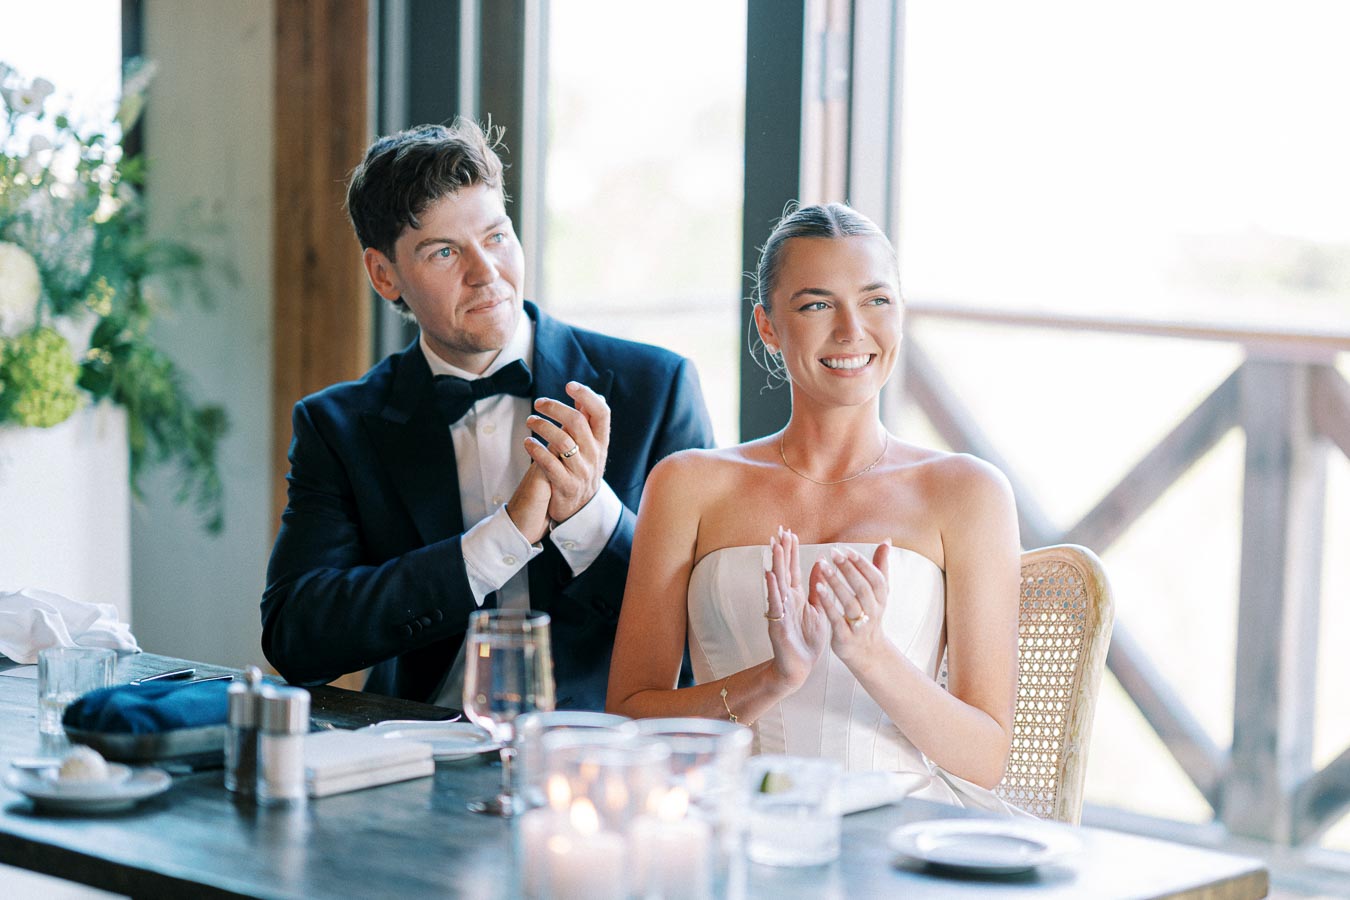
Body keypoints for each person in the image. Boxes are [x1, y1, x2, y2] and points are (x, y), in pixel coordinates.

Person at [262, 119, 715, 711]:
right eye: (444, 252)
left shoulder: (655, 388)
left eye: (496, 237)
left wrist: (586, 514)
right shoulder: (338, 426)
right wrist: (502, 537)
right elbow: (297, 636)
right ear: (383, 275)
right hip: (420, 750)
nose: (486, 273)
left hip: (601, 751)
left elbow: (708, 624)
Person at [607, 202, 1022, 810]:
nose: (852, 330)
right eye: (816, 304)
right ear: (768, 326)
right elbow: (629, 718)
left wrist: (871, 654)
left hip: (901, 839)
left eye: (876, 300)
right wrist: (773, 678)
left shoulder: (968, 492)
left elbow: (984, 759)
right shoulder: (688, 485)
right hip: (727, 826)